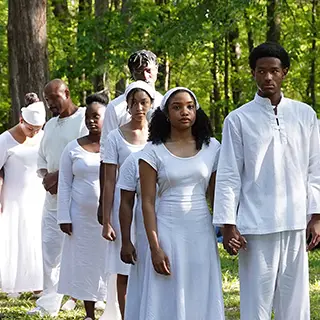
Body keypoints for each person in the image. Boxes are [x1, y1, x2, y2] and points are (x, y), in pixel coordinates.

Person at [213, 42, 320, 320]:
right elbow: (228, 174)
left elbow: (315, 168)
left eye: (274, 70)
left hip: (295, 221)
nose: (268, 77)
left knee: (295, 305)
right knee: (255, 305)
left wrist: (316, 215)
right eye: (262, 71)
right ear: (253, 73)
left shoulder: (304, 114)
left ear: (285, 72)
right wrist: (227, 224)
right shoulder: (237, 119)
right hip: (255, 226)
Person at [139, 87, 225, 320]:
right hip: (167, 228)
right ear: (166, 113)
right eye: (176, 107)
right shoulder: (152, 151)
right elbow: (146, 202)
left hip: (200, 229)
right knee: (166, 288)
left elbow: (216, 195)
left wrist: (228, 228)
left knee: (200, 286)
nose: (184, 112)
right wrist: (155, 247)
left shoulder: (213, 147)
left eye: (189, 106)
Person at [28, 79, 88, 317]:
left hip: (79, 196)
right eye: (48, 100)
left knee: (82, 248)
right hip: (52, 199)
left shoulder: (84, 119)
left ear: (67, 93)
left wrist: (59, 177)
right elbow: (42, 159)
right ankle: (48, 303)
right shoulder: (50, 126)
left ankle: (88, 296)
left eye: (55, 98)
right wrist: (46, 178)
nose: (51, 104)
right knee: (50, 249)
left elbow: (89, 152)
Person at [99, 81, 155, 319]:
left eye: (144, 102)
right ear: (127, 106)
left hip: (153, 207)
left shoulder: (159, 135)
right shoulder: (115, 137)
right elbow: (110, 179)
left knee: (151, 265)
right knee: (125, 269)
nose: (139, 107)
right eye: (135, 103)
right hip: (125, 209)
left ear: (151, 104)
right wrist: (106, 219)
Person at [57, 94, 108, 320]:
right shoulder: (72, 148)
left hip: (109, 218)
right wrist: (63, 216)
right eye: (88, 117)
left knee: (109, 262)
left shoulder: (114, 144)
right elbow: (64, 184)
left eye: (96, 116)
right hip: (81, 218)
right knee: (86, 262)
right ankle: (89, 314)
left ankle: (114, 308)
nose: (91, 121)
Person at [0, 95, 46, 296]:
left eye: (38, 129)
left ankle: (39, 283)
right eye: (30, 128)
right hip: (13, 196)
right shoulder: (5, 140)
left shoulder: (43, 137)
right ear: (21, 120)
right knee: (17, 235)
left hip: (39, 194)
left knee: (37, 236)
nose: (34, 133)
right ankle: (14, 283)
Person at [117, 150, 149, 320]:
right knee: (146, 282)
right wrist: (126, 241)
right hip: (144, 236)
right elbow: (126, 203)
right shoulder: (135, 160)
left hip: (182, 233)